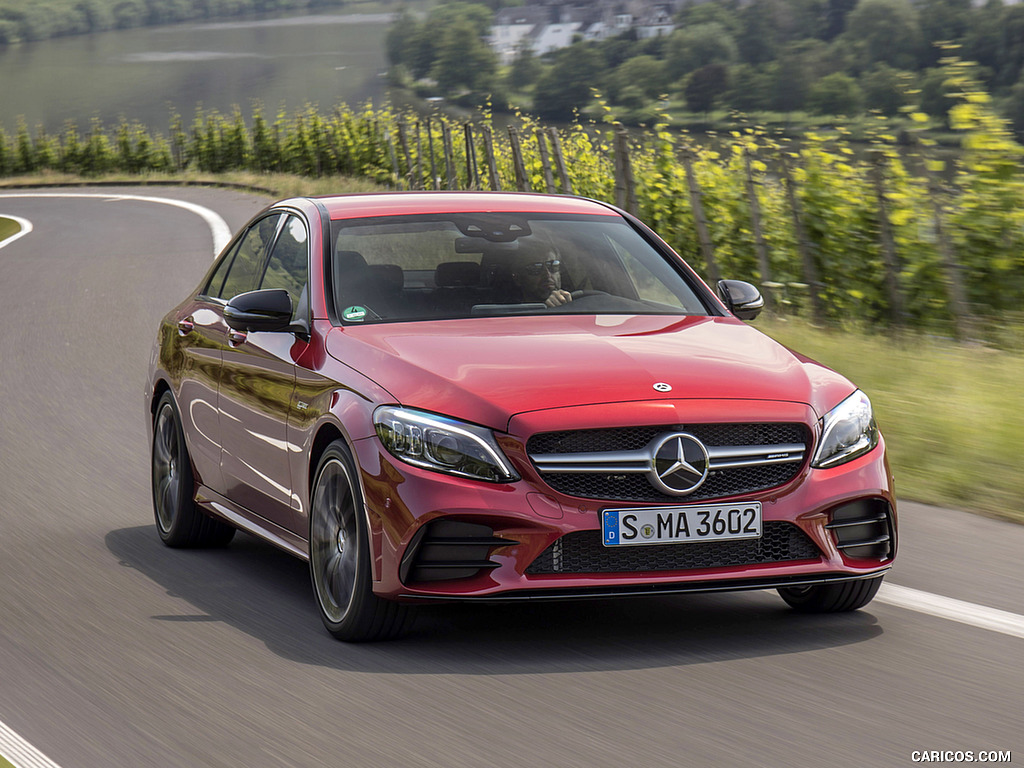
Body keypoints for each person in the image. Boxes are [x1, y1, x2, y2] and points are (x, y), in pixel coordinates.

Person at [511, 240, 573, 307]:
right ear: (518, 278)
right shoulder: (509, 314)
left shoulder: (577, 305)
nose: (547, 274)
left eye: (553, 266)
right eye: (536, 268)